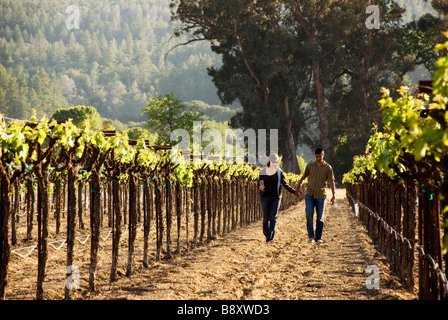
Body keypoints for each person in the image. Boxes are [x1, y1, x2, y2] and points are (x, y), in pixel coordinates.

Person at [295, 148, 335, 243]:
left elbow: (331, 181)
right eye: (316, 156)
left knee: (320, 217)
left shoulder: (328, 167)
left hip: (321, 195)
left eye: (320, 156)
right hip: (310, 194)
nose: (318, 158)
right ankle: (310, 236)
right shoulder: (310, 166)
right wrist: (298, 187)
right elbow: (304, 177)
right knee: (309, 213)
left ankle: (318, 237)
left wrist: (334, 195)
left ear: (323, 155)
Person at [258, 153, 298, 243]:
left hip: (276, 198)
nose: (274, 163)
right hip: (265, 198)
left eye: (276, 162)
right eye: (273, 161)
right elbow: (260, 183)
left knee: (273, 218)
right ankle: (266, 233)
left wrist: (294, 192)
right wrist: (260, 187)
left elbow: (285, 184)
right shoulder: (263, 171)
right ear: (269, 161)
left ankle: (270, 237)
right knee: (265, 218)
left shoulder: (279, 172)